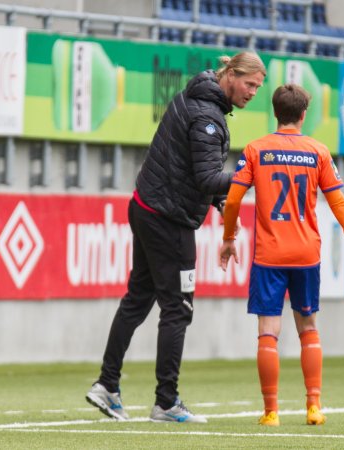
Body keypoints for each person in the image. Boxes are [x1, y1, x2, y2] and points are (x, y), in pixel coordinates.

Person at [86, 52, 266, 423]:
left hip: (147, 207)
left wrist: (221, 201)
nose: (253, 93)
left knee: (137, 300)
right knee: (177, 309)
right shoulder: (207, 118)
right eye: (249, 84)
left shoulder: (198, 97)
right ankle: (166, 402)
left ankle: (107, 385)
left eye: (258, 88)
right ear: (230, 74)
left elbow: (198, 173)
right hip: (168, 220)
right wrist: (248, 176)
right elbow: (206, 178)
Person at [218, 84, 344, 427]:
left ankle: (271, 412)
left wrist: (229, 237)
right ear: (304, 114)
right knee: (308, 327)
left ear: (274, 112)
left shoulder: (256, 149)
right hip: (306, 252)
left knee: (268, 331)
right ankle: (314, 407)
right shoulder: (317, 152)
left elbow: (232, 200)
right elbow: (338, 203)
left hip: (270, 255)